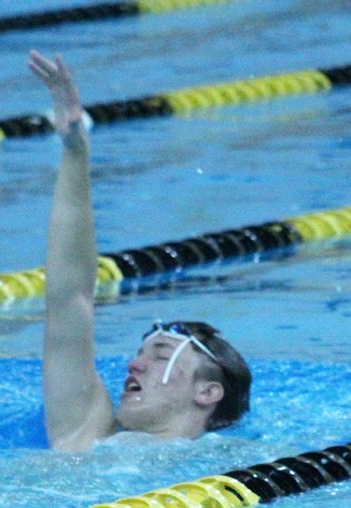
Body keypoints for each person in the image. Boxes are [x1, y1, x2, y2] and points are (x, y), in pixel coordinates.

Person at [28, 50, 251, 451]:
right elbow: (69, 296)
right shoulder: (84, 429)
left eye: (161, 356)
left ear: (208, 393)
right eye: (142, 353)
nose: (133, 365)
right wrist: (75, 152)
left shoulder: (233, 467)